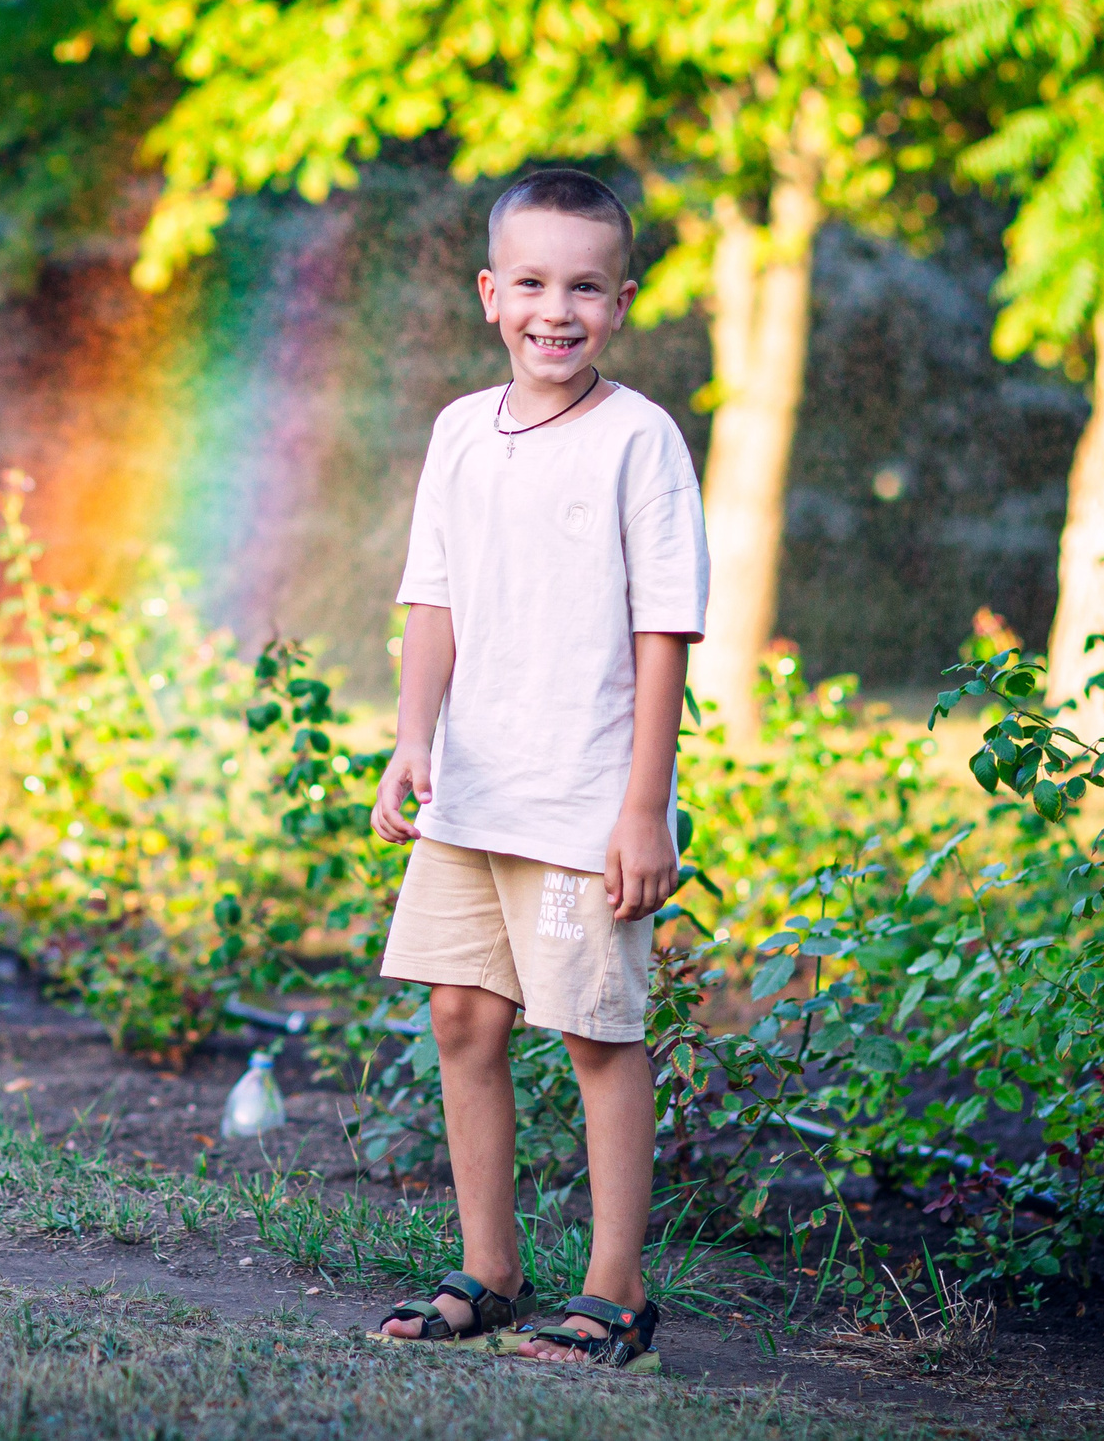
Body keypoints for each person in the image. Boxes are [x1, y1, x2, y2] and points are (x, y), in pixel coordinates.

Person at [369, 167, 706, 1371]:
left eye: (583, 286)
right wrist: (415, 736)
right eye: (530, 283)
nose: (553, 310)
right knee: (461, 1014)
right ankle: (492, 1267)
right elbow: (434, 595)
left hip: (580, 806)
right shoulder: (461, 429)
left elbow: (661, 629)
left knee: (593, 1032)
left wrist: (642, 809)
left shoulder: (640, 440)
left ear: (621, 298)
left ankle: (614, 1291)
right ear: (489, 292)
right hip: (474, 788)